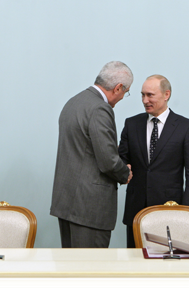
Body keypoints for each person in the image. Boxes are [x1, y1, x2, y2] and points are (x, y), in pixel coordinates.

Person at [50, 61, 133, 248]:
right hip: (89, 207)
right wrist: (125, 173)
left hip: (67, 203)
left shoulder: (73, 102)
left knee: (72, 269)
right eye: (126, 92)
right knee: (91, 270)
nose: (122, 98)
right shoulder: (100, 109)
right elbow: (109, 161)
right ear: (118, 88)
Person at [118, 74, 189, 248]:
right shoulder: (131, 124)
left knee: (169, 267)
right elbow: (122, 158)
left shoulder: (186, 127)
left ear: (166, 95)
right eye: (142, 95)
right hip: (136, 211)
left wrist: (187, 213)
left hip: (171, 211)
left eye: (150, 95)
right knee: (136, 265)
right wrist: (122, 167)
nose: (145, 100)